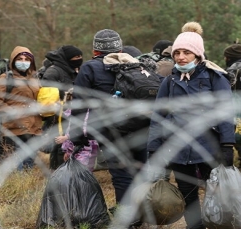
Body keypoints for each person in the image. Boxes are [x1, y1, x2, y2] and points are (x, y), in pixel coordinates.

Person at [147, 23, 235, 229]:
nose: (180, 57)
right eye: (177, 52)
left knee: (218, 192)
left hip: (209, 147)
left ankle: (221, 224)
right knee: (188, 195)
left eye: (186, 52)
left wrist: (227, 144)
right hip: (178, 150)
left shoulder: (216, 78)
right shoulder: (169, 82)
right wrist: (153, 147)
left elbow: (225, 113)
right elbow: (158, 116)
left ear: (197, 54)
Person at [69, 29, 147, 227]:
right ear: (120, 47)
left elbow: (79, 105)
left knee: (122, 176)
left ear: (95, 50)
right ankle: (144, 215)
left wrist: (77, 136)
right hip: (142, 129)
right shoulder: (137, 64)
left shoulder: (90, 69)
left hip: (111, 133)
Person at [0, 46, 42, 170]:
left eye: (27, 59)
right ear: (13, 60)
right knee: (17, 162)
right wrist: (12, 112)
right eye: (20, 59)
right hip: (14, 127)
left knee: (29, 160)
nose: (23, 62)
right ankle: (17, 186)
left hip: (33, 126)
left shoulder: (35, 79)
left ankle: (24, 186)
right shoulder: (6, 78)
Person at [41, 45, 83, 169]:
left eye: (80, 56)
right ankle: (57, 174)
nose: (79, 59)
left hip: (73, 116)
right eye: (76, 57)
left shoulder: (75, 70)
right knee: (59, 148)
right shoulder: (53, 72)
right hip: (58, 118)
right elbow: (47, 98)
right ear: (68, 58)